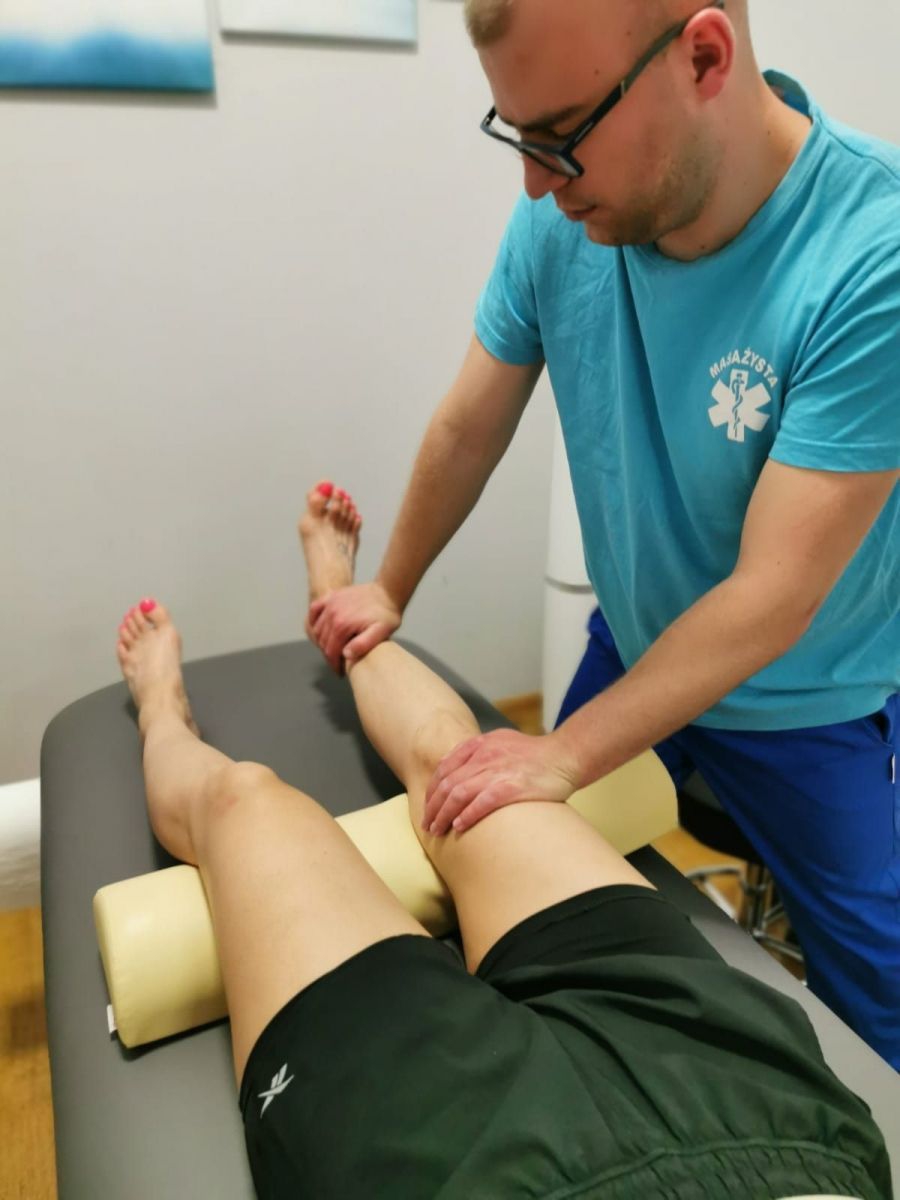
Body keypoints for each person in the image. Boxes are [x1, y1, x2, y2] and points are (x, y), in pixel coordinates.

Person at [306, 0, 900, 1067]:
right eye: (517, 135)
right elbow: (468, 425)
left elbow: (773, 594)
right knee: (508, 882)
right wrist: (388, 587)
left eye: (562, 135)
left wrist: (565, 752)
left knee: (885, 1013)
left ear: (704, 56)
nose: (536, 184)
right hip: (637, 646)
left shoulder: (872, 255)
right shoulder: (565, 219)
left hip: (812, 698)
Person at [115, 483, 890, 1200]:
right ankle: (336, 609)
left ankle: (161, 710)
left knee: (244, 801)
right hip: (767, 1119)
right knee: (461, 760)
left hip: (463, 1169)